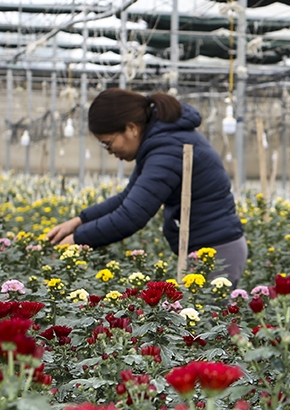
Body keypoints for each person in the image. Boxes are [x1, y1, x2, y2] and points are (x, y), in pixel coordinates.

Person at [46, 89, 248, 285]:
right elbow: (128, 198)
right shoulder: (160, 143)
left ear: (131, 128)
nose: (109, 151)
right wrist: (79, 221)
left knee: (206, 319)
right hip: (207, 248)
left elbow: (130, 216)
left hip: (217, 253)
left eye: (108, 143)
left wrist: (77, 240)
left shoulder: (168, 149)